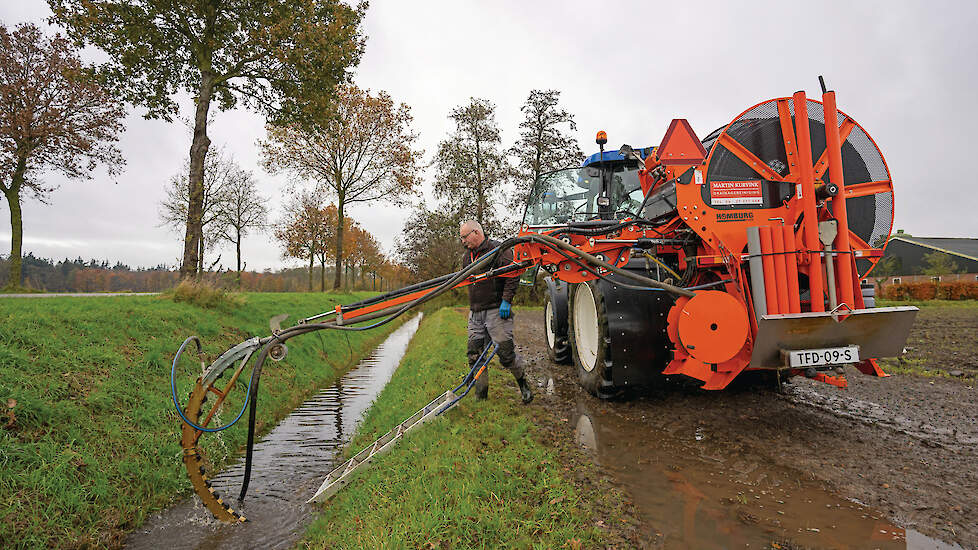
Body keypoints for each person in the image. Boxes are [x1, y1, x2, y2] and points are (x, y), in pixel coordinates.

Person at [459, 220, 533, 404]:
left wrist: (506, 301)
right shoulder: (467, 257)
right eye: (461, 238)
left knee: (506, 356)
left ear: (476, 233)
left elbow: (513, 275)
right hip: (475, 312)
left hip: (496, 311)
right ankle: (481, 395)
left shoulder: (498, 250)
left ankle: (523, 384)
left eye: (464, 237)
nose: (462, 242)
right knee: (475, 355)